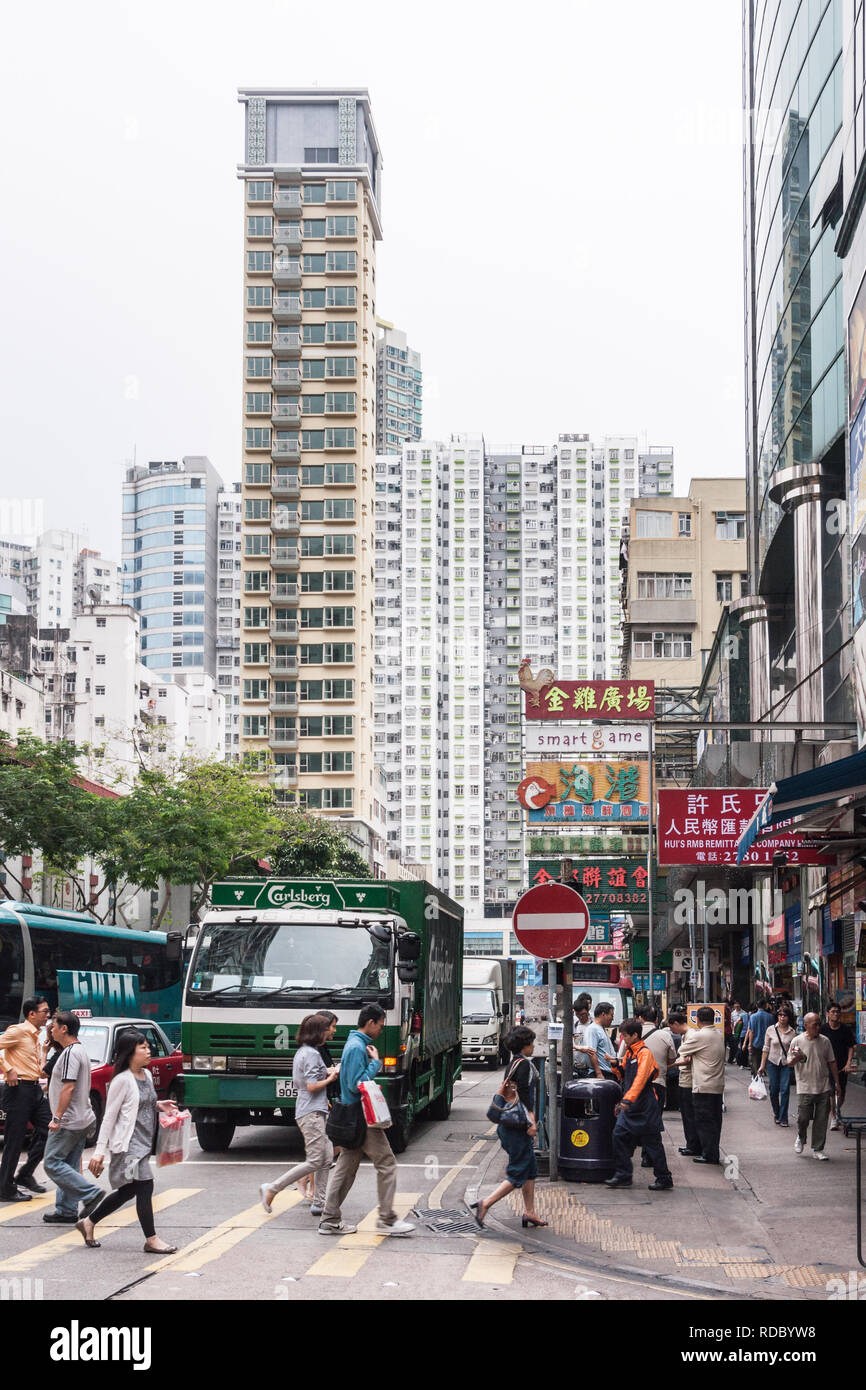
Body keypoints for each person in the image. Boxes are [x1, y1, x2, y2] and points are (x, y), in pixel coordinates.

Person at [76, 1029, 179, 1253]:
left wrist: (159, 1104)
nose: (148, 1050)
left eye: (147, 1046)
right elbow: (109, 1117)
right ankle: (151, 1240)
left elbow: (142, 1103)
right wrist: (99, 1151)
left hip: (144, 1143)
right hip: (129, 1145)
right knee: (145, 1185)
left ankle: (89, 1222)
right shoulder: (121, 1080)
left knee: (128, 1191)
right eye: (142, 1047)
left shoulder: (147, 1075)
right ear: (130, 1053)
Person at [318, 1004, 414, 1237]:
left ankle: (330, 1219)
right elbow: (355, 1084)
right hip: (361, 1114)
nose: (381, 1030)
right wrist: (375, 1062)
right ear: (370, 1022)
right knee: (387, 1163)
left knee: (347, 1166)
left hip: (355, 1114)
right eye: (380, 1025)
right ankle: (387, 1219)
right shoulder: (356, 1047)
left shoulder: (356, 1044)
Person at [259, 1013, 339, 1217]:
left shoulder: (305, 1051)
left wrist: (328, 1071)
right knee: (315, 1160)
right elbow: (312, 1086)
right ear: (319, 1032)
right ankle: (273, 1188)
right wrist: (332, 1077)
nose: (333, 1031)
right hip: (311, 1111)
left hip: (314, 1110)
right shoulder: (311, 1054)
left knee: (327, 1156)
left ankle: (320, 1202)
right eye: (330, 1028)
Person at [468, 1025, 548, 1227]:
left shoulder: (514, 1062)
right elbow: (523, 1095)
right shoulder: (523, 1065)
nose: (533, 1046)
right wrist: (531, 1120)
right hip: (517, 1127)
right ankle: (485, 1203)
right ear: (525, 1045)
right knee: (518, 1172)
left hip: (510, 1126)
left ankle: (529, 1212)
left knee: (530, 1169)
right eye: (531, 1043)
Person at [41, 1010, 104, 1225]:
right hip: (82, 1118)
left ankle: (91, 1193)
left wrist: (57, 1118)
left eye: (54, 1026)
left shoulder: (70, 1053)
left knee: (51, 1162)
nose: (51, 1029)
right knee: (67, 1162)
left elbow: (68, 1087)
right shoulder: (78, 1051)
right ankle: (67, 1210)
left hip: (69, 1120)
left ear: (64, 1028)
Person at [605, 1016, 673, 1191]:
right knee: (618, 1135)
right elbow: (624, 1075)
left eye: (625, 1036)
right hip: (632, 1106)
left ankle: (664, 1177)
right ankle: (623, 1175)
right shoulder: (630, 1053)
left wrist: (627, 1100)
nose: (623, 1039)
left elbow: (641, 1079)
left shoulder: (644, 1053)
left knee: (652, 1144)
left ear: (635, 1035)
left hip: (645, 1106)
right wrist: (615, 1065)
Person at [0, 996, 51, 1202]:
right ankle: (5, 1188)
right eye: (45, 1011)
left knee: (51, 1129)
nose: (48, 1015)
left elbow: (36, 1068)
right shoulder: (18, 1031)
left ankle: (25, 1173)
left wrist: (45, 1054)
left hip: (34, 1089)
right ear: (31, 1014)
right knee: (14, 1140)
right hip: (18, 1089)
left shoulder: (36, 1035)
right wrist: (8, 1068)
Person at [786, 1012, 840, 1160]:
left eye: (819, 1023)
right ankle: (801, 1137)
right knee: (803, 1118)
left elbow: (832, 1062)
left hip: (823, 1086)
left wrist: (836, 1083)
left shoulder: (825, 1041)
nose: (818, 1026)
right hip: (804, 1086)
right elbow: (789, 1062)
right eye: (815, 1024)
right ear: (806, 1025)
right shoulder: (797, 1041)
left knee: (821, 1120)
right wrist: (796, 1058)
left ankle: (818, 1148)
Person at [675, 1007, 726, 1164]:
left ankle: (709, 1155)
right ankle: (710, 1152)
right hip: (717, 1084)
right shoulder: (718, 1034)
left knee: (704, 1122)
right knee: (714, 1121)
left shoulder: (700, 1036)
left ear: (697, 1019)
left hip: (704, 1085)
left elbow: (682, 1049)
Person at [636, 1005, 677, 1166]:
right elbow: (672, 1059)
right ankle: (649, 1156)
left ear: (640, 1018)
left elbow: (621, 1057)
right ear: (657, 1019)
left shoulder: (633, 1033)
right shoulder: (665, 1035)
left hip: (637, 1085)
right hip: (658, 1083)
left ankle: (642, 1154)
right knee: (654, 1121)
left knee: (639, 1119)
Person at [757, 1003, 797, 1127]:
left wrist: (794, 1060)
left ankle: (783, 1117)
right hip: (772, 1062)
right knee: (774, 1090)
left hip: (786, 1064)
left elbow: (794, 1050)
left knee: (785, 1090)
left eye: (785, 1015)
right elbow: (766, 1048)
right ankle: (777, 1112)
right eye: (780, 1015)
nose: (782, 1017)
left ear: (788, 1017)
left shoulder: (792, 1032)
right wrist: (762, 1065)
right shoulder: (770, 1030)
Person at [820, 1003, 856, 1131]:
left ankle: (836, 1111)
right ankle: (834, 1117)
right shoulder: (823, 1029)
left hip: (841, 1066)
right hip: (827, 1066)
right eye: (833, 1011)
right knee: (830, 1091)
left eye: (838, 1012)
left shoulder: (845, 1030)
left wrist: (848, 1063)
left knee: (841, 1092)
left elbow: (851, 1047)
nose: (836, 1014)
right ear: (827, 1013)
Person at [577, 1002, 620, 1081]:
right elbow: (591, 1052)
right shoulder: (593, 1029)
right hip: (601, 1074)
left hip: (608, 1073)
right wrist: (599, 1073)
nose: (612, 1018)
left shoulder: (601, 1028)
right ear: (603, 1014)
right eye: (611, 1015)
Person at [572, 997, 602, 1078]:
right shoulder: (574, 1025)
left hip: (589, 1070)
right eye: (577, 1014)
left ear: (588, 1011)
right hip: (576, 1068)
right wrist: (579, 1048)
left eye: (583, 1014)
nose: (580, 1017)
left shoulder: (594, 1026)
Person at [744, 998, 774, 1076]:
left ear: (757, 1006)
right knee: (768, 1062)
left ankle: (757, 1078)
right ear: (765, 1006)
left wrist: (749, 1044)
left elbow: (751, 1032)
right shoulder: (770, 1017)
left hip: (756, 1043)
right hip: (768, 1043)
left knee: (755, 1063)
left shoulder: (753, 1017)